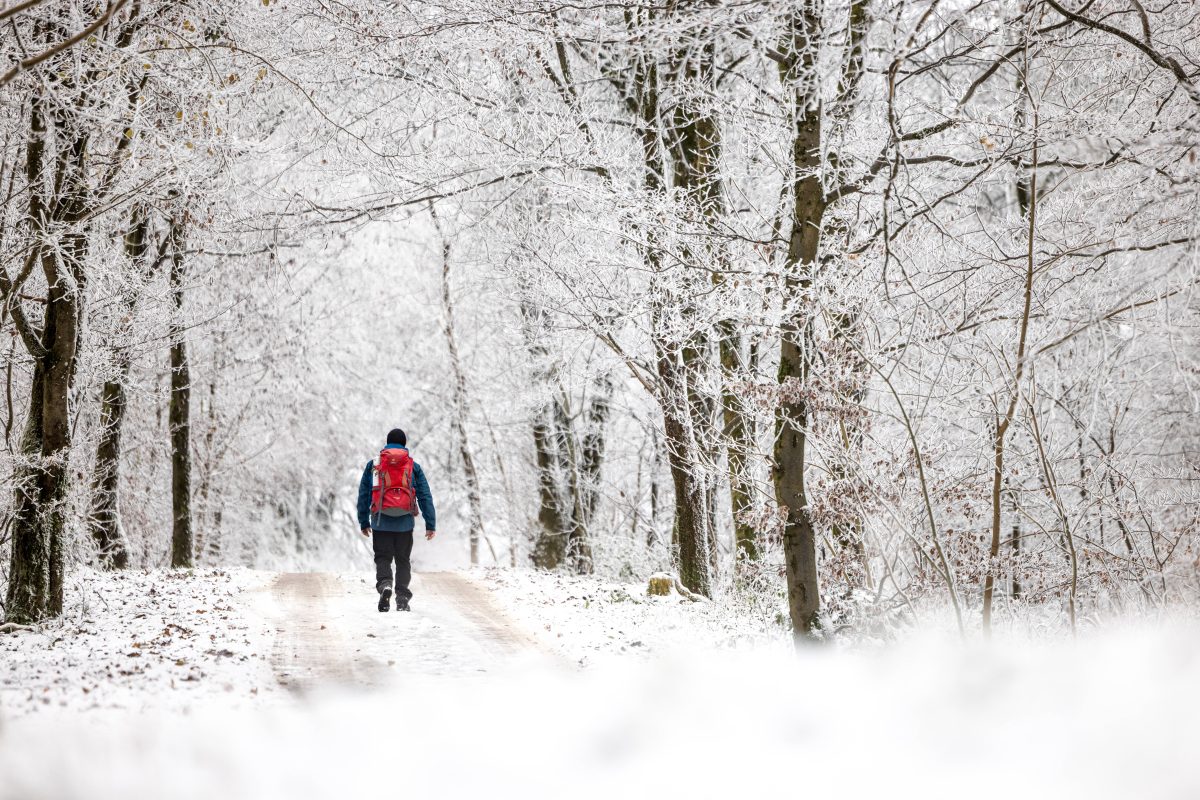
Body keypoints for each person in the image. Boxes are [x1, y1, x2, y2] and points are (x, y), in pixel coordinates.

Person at [357, 428, 436, 612]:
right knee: (403, 560)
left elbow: (364, 494)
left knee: (383, 557)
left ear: (387, 443)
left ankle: (385, 585)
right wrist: (430, 524)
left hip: (380, 521)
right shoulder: (412, 466)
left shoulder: (375, 465)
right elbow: (425, 496)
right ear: (404, 444)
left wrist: (363, 521)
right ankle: (402, 598)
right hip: (405, 523)